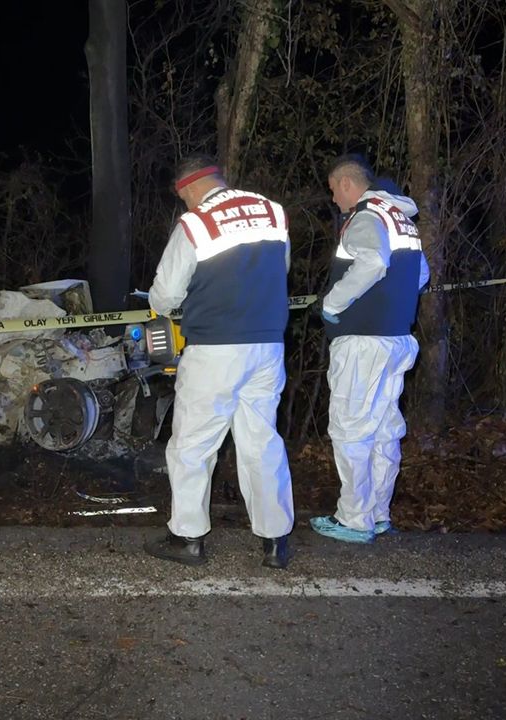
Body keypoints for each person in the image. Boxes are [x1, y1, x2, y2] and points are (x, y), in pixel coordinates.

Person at [143, 155, 295, 569]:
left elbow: (165, 294)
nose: (186, 205)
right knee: (261, 442)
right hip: (267, 347)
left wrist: (168, 306)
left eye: (184, 198)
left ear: (189, 188)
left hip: (214, 349)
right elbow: (280, 270)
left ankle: (188, 538)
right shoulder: (272, 212)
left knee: (192, 446)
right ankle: (275, 540)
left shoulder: (196, 223)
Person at [311, 154, 430, 543]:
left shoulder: (365, 217)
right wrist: (392, 303)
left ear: (347, 183)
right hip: (396, 339)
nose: (334, 199)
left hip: (362, 342)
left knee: (351, 428)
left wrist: (332, 304)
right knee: (384, 430)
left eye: (334, 190)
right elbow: (421, 274)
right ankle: (378, 514)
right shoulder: (401, 220)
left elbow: (372, 263)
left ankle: (353, 520)